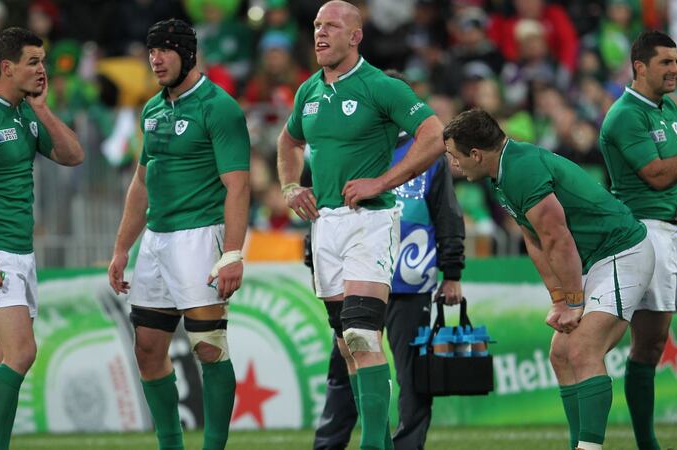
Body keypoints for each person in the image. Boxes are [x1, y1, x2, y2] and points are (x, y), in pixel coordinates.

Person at [276, 2, 445, 448]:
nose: (319, 33)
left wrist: (383, 180)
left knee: (361, 333)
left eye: (330, 26)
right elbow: (289, 139)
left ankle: (373, 444)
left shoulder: (379, 86)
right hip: (324, 226)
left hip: (370, 221)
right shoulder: (308, 91)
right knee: (348, 344)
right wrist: (291, 186)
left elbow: (434, 134)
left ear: (355, 36)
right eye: (315, 26)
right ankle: (382, 442)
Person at [443, 109, 655, 450]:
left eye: (455, 157)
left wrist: (573, 302)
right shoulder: (504, 170)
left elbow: (557, 238)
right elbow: (534, 239)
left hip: (621, 252)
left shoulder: (520, 170)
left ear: (476, 155)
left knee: (584, 348)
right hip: (598, 259)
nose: (454, 165)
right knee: (561, 352)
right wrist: (558, 298)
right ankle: (579, 444)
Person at [108, 18, 250, 450]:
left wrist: (233, 253)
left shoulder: (218, 107)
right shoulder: (151, 110)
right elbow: (140, 183)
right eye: (152, 51)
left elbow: (238, 185)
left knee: (209, 349)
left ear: (187, 54)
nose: (156, 59)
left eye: (165, 49)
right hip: (155, 241)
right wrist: (121, 249)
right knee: (148, 351)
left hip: (200, 238)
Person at [0, 27, 84, 450]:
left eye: (42, 61)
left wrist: (42, 110)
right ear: (6, 67)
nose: (42, 69)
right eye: (33, 62)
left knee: (5, 359)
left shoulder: (25, 112)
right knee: (23, 352)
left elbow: (73, 156)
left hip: (21, 251)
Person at [312, 72, 466, 450]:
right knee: (346, 368)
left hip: (408, 282)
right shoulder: (349, 149)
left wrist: (452, 273)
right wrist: (313, 258)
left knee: (413, 378)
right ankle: (331, 445)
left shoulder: (429, 156)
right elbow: (325, 210)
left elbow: (447, 215)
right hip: (356, 280)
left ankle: (406, 446)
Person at [599, 30, 677, 450]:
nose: (675, 70)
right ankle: (647, 443)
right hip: (644, 236)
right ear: (640, 66)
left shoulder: (670, 107)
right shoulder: (625, 114)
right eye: (666, 62)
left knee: (652, 343)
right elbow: (657, 174)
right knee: (649, 346)